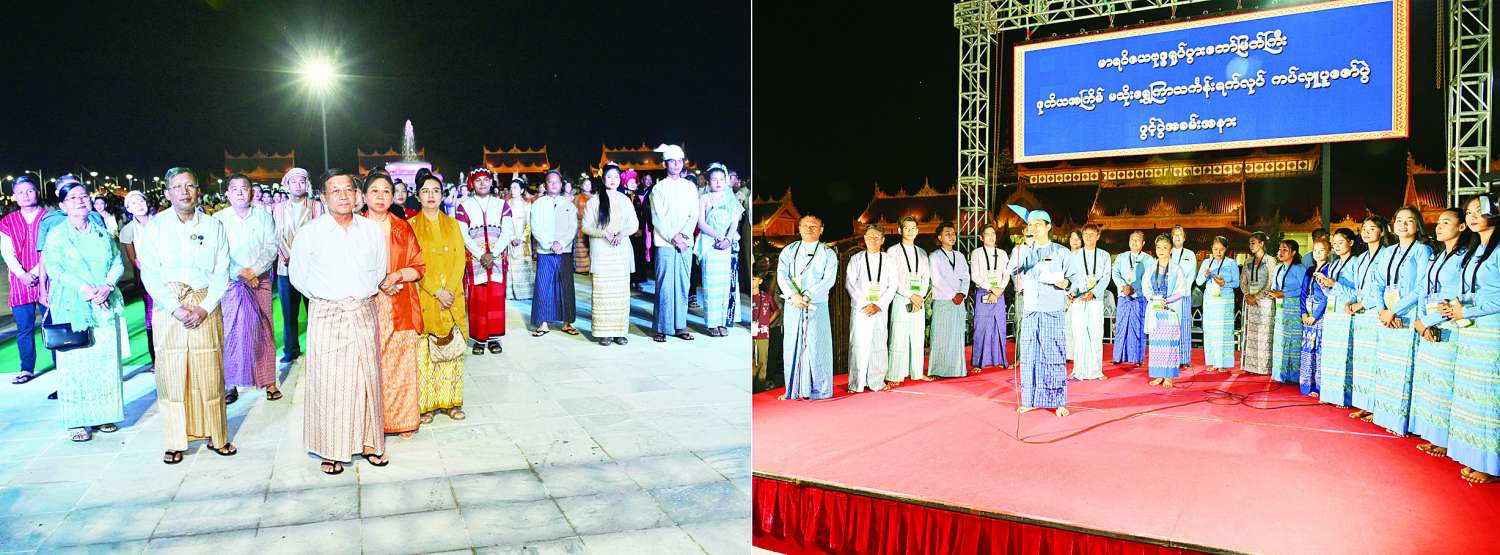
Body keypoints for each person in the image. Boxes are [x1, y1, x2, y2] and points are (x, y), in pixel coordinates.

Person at [289, 168, 390, 475]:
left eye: (349, 189)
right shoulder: (311, 233)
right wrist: (327, 300)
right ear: (323, 197)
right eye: (336, 190)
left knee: (366, 379)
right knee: (330, 383)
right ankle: (331, 449)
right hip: (328, 314)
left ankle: (370, 443)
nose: (344, 195)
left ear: (357, 195)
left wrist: (357, 296)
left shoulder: (370, 230)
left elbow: (380, 270)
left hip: (363, 311)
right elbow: (298, 276)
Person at [136, 167, 236, 464]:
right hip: (170, 307)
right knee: (172, 373)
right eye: (177, 187)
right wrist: (175, 308)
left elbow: (222, 269)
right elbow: (150, 273)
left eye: (190, 185)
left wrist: (205, 306)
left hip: (206, 304)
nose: (184, 191)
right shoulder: (156, 227)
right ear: (167, 193)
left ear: (198, 191)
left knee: (210, 371)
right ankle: (175, 440)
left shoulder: (213, 225)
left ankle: (217, 435)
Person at [42, 180, 126, 442]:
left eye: (83, 196)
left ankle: (104, 415)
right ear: (62, 205)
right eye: (73, 198)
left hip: (104, 304)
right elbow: (54, 268)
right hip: (73, 306)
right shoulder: (57, 234)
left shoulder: (101, 232)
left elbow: (117, 261)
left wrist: (107, 286)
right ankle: (77, 421)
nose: (80, 201)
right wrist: (85, 289)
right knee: (75, 365)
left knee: (105, 361)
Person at [1441, 195, 1500, 484]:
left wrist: (1467, 309)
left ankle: (1492, 465)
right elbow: (1474, 290)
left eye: (1479, 211)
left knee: (1489, 397)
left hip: (1492, 332)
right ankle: (1476, 456)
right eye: (1468, 212)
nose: (1473, 216)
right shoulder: (1477, 250)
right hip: (1471, 330)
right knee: (1472, 396)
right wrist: (1456, 304)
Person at [364, 171, 427, 437]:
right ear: (364, 196)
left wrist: (396, 276)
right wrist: (379, 281)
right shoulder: (355, 229)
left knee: (401, 365)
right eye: (375, 191)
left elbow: (419, 266)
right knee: (369, 364)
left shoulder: (403, 227)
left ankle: (402, 420)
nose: (381, 197)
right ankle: (370, 422)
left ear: (393, 197)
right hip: (366, 305)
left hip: (400, 302)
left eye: (386, 192)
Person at [409, 173, 469, 424]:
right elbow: (414, 264)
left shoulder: (453, 224)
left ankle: (451, 403)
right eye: (425, 191)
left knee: (451, 350)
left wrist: (450, 290)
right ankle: (426, 405)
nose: (431, 195)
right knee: (425, 352)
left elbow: (460, 260)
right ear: (418, 196)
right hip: (425, 294)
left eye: (435, 190)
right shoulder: (411, 226)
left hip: (452, 296)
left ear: (443, 195)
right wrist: (436, 291)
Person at [214, 174, 280, 404]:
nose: (240, 193)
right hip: (231, 283)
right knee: (231, 331)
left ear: (251, 192)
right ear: (227, 194)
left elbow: (271, 246)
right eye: (235, 189)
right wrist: (240, 273)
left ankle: (269, 381)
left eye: (245, 188)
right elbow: (218, 253)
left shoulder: (263, 216)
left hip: (260, 280)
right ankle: (230, 383)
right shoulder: (219, 219)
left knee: (264, 329)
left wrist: (254, 271)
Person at [1008, 209, 1080, 416]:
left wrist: (1067, 284)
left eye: (1038, 224)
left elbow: (1076, 279)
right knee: (1030, 355)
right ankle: (1029, 399)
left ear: (1048, 226)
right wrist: (1025, 247)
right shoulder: (1023, 250)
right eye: (1031, 225)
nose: (1034, 228)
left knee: (1053, 354)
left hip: (1052, 309)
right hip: (1031, 309)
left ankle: (1058, 401)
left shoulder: (1061, 252)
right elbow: (1012, 269)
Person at [1369, 206, 1433, 436]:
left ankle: (1401, 422)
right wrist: (1382, 310)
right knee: (1387, 367)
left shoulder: (1422, 250)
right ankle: (1385, 414)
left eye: (1409, 220)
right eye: (1399, 220)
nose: (1403, 224)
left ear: (1418, 225)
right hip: (1387, 315)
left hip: (1408, 313)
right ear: (1392, 225)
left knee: (1405, 368)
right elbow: (1377, 284)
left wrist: (1394, 311)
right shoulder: (1388, 251)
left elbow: (1421, 287)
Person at [1410, 208, 1467, 456]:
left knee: (1445, 384)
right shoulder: (1437, 255)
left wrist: (1427, 321)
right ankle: (1434, 434)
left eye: (1446, 222)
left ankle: (1445, 439)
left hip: (1449, 324)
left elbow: (1452, 297)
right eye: (1438, 222)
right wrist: (1423, 321)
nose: (1439, 226)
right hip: (1429, 323)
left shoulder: (1463, 257)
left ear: (1462, 227)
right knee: (1431, 382)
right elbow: (1424, 291)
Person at [777, 215, 838, 400]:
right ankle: (794, 389)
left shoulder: (828, 253)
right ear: (799, 228)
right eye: (805, 225)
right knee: (792, 344)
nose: (809, 229)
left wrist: (808, 295)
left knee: (817, 345)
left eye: (814, 226)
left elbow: (828, 279)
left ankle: (821, 389)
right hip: (793, 304)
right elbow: (782, 275)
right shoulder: (789, 250)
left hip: (816, 304)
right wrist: (793, 295)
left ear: (821, 229)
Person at [454, 168, 513, 354]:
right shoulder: (464, 207)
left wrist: (493, 254)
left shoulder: (502, 205)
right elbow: (463, 235)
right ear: (472, 183)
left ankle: (494, 338)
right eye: (478, 180)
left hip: (497, 259)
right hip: (475, 260)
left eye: (485, 180)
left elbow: (507, 231)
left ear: (491, 182)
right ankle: (479, 339)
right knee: (477, 300)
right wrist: (481, 254)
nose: (482, 183)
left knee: (496, 298)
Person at [583, 164, 640, 346]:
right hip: (602, 252)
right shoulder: (594, 201)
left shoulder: (625, 200)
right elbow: (585, 226)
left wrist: (622, 234)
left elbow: (634, 224)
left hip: (620, 251)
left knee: (620, 293)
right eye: (609, 176)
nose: (613, 180)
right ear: (603, 179)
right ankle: (603, 333)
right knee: (603, 292)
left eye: (616, 176)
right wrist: (604, 233)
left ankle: (620, 332)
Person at [1, 174, 49, 385]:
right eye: (20, 192)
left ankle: (62, 366)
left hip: (47, 279)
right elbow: (7, 252)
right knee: (24, 328)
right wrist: (22, 274)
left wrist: (36, 273)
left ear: (37, 192)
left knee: (52, 324)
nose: (25, 195)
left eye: (29, 191)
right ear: (14, 196)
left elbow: (52, 249)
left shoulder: (49, 218)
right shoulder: (7, 222)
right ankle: (26, 368)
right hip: (20, 282)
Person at [272, 167, 322, 364]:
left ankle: (317, 348)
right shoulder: (278, 208)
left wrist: (301, 258)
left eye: (302, 181)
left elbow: (319, 235)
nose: (298, 185)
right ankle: (291, 349)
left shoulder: (317, 207)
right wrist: (288, 257)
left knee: (314, 311)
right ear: (287, 185)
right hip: (285, 268)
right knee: (288, 312)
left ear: (307, 184)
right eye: (294, 182)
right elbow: (275, 235)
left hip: (311, 269)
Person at [650, 145, 700, 342]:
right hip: (665, 243)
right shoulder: (658, 188)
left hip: (685, 243)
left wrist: (683, 235)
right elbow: (658, 217)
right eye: (672, 161)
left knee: (682, 284)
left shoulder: (690, 187)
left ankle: (680, 326)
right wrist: (673, 237)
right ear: (665, 164)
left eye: (680, 161)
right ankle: (662, 327)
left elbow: (694, 214)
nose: (677, 165)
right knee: (664, 285)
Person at [1347, 216, 1393, 421]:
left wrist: (1363, 304)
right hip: (1361, 314)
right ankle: (1365, 404)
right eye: (1364, 228)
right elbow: (1358, 286)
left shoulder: (1387, 254)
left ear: (1382, 231)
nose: (1366, 232)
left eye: (1371, 228)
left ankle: (1377, 406)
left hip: (1376, 311)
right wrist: (1352, 302)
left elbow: (1382, 288)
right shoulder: (1361, 257)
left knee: (1376, 360)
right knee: (1363, 361)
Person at [845, 225, 898, 392]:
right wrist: (864, 304)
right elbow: (850, 284)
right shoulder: (857, 259)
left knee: (879, 344)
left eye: (876, 237)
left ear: (882, 240)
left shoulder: (889, 260)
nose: (872, 240)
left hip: (879, 309)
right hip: (861, 309)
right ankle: (856, 383)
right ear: (864, 239)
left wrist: (879, 305)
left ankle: (876, 382)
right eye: (869, 236)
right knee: (858, 344)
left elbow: (893, 285)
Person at [695, 163, 745, 337]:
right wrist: (718, 236)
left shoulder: (730, 198)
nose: (718, 182)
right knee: (711, 285)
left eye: (721, 179)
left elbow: (735, 221)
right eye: (714, 179)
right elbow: (701, 223)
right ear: (708, 181)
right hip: (710, 243)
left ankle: (724, 321)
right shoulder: (704, 198)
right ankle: (712, 323)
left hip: (727, 244)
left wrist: (728, 239)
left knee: (726, 285)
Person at [530, 170, 581, 336]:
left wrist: (562, 243)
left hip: (564, 251)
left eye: (556, 182)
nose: (553, 184)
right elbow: (535, 227)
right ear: (545, 185)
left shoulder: (569, 205)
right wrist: (549, 244)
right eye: (550, 181)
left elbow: (573, 227)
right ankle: (543, 323)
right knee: (543, 286)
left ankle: (567, 322)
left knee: (566, 286)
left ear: (561, 185)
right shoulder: (538, 204)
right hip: (545, 251)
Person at [1314, 228, 1361, 407]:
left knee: (1344, 355)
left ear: (1351, 242)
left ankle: (1344, 398)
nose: (1337, 247)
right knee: (1330, 355)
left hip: (1346, 312)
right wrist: (1325, 285)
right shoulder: (1333, 264)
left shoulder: (1356, 262)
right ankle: (1330, 394)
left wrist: (1334, 284)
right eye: (1334, 244)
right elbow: (1330, 292)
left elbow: (1357, 293)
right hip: (1332, 312)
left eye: (1340, 242)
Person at [884, 216, 931, 385]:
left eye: (913, 228)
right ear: (899, 230)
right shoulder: (892, 251)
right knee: (898, 336)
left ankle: (917, 372)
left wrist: (920, 296)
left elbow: (926, 277)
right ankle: (894, 374)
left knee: (917, 337)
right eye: (906, 228)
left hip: (919, 299)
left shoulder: (922, 252)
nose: (910, 231)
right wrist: (911, 295)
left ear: (917, 231)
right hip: (901, 297)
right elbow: (893, 279)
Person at [1143, 234, 1191, 387]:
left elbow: (1182, 290)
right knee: (1156, 345)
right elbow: (1146, 287)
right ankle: (1158, 374)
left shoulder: (1176, 269)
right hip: (1156, 310)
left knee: (1170, 344)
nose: (1161, 250)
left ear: (1171, 250)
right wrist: (1153, 298)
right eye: (1158, 247)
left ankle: (1169, 376)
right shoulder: (1151, 268)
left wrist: (1167, 300)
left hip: (1170, 310)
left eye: (1165, 247)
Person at [118, 190, 157, 367]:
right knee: (151, 316)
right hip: (147, 277)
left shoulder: (161, 222)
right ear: (128, 209)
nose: (139, 205)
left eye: (140, 201)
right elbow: (134, 259)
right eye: (133, 203)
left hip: (170, 274)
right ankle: (155, 359)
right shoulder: (128, 230)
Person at [927, 223, 970, 378]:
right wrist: (953, 295)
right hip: (943, 301)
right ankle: (937, 370)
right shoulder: (934, 256)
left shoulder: (960, 256)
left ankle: (957, 370)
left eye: (953, 234)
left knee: (957, 336)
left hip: (959, 301)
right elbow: (937, 280)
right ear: (940, 237)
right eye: (947, 234)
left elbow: (966, 277)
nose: (952, 237)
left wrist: (962, 293)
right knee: (940, 336)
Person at [1068, 224, 1110, 380]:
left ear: (1098, 236)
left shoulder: (1104, 255)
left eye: (1092, 234)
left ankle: (1096, 371)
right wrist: (1071, 291)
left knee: (1095, 333)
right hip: (1079, 299)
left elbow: (1106, 277)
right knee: (1079, 334)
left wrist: (1094, 292)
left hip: (1095, 299)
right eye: (1085, 234)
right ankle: (1078, 370)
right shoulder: (1075, 255)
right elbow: (1072, 277)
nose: (1088, 237)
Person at [1195, 236, 1240, 372]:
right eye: (1215, 249)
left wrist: (1224, 283)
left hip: (1225, 300)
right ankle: (1213, 362)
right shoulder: (1206, 262)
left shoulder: (1231, 263)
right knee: (1210, 330)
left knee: (1223, 331)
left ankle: (1223, 363)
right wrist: (1205, 275)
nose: (1218, 252)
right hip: (1210, 300)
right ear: (1211, 249)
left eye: (1221, 249)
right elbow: (1198, 282)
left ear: (1226, 250)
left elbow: (1236, 283)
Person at [970, 225, 1010, 372]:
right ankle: (978, 363)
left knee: (999, 326)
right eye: (987, 234)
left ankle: (1000, 360)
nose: (991, 236)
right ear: (981, 238)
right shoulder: (976, 253)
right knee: (981, 327)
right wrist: (992, 288)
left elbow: (1007, 274)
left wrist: (999, 290)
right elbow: (975, 275)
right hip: (983, 292)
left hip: (999, 293)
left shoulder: (1002, 253)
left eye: (993, 233)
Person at [1267, 240, 1306, 384]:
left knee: (1293, 341)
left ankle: (1294, 376)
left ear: (1293, 252)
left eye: (1285, 249)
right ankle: (1279, 374)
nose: (1281, 252)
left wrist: (1285, 294)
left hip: (1294, 309)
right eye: (1280, 249)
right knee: (1280, 341)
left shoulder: (1299, 268)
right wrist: (1272, 293)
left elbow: (1304, 290)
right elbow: (1275, 286)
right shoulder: (1278, 267)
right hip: (1280, 309)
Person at [1240, 232, 1277, 376]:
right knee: (1250, 334)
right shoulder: (1248, 261)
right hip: (1250, 301)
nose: (1251, 245)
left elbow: (1270, 282)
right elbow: (1243, 281)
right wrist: (1247, 295)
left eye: (1253, 242)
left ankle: (1263, 367)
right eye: (1250, 243)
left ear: (1261, 244)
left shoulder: (1270, 260)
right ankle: (1250, 367)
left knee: (1263, 334)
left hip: (1265, 302)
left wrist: (1257, 296)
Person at [1299, 237, 1332, 396]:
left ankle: (1319, 387)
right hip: (1308, 311)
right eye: (1315, 250)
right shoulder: (1309, 270)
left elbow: (1327, 296)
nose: (1318, 253)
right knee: (1307, 348)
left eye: (1322, 250)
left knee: (1319, 349)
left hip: (1321, 314)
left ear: (1329, 252)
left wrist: (1315, 316)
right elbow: (1303, 292)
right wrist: (1303, 313)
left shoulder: (1329, 270)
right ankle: (1307, 384)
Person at [1112, 231, 1149, 367]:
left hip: (1139, 297)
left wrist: (1135, 290)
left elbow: (1148, 279)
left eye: (1137, 240)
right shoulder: (1121, 257)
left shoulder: (1149, 260)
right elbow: (1115, 273)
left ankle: (1137, 358)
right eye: (1132, 239)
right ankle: (1118, 357)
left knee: (1137, 328)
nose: (1134, 242)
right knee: (1121, 326)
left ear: (1143, 243)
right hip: (1124, 296)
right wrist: (1124, 286)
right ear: (1128, 242)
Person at [1168, 225, 1197, 368]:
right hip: (1169, 296)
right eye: (1175, 234)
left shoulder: (1190, 254)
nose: (1177, 237)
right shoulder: (1167, 252)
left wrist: (1181, 288)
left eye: (1180, 234)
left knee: (1184, 326)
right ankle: (1170, 357)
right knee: (1170, 326)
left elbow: (1191, 275)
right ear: (1171, 237)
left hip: (1184, 294)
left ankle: (1184, 359)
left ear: (1184, 238)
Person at [752, 271, 778, 387]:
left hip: (762, 332)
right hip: (750, 331)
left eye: (754, 279)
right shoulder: (750, 297)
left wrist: (767, 322)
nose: (752, 281)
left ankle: (760, 385)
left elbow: (777, 311)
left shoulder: (766, 297)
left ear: (760, 281)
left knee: (763, 359)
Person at [1064, 230, 1082, 362]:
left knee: (1079, 325)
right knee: (1067, 324)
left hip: (1080, 295)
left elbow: (1082, 277)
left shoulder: (1084, 256)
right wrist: (1067, 291)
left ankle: (1079, 353)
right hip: (1065, 294)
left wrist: (1075, 291)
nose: (1074, 241)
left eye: (1077, 239)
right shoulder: (1065, 255)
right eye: (1072, 238)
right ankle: (1068, 353)